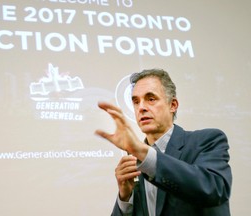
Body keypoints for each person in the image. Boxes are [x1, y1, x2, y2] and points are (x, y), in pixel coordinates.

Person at [95, 68, 232, 216]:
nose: (141, 107)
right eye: (136, 101)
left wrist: (143, 153)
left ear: (172, 105)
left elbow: (214, 190)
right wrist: (125, 196)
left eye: (151, 99)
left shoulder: (207, 140)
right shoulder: (135, 160)